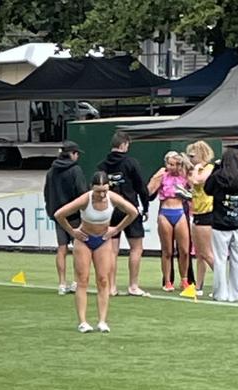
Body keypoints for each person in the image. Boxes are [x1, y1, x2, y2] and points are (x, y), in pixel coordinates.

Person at [53, 171, 140, 332]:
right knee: (82, 280)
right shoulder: (86, 199)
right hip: (84, 240)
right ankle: (83, 321)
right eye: (98, 190)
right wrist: (73, 232)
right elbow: (59, 214)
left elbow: (133, 212)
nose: (101, 194)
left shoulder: (112, 197)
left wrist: (116, 229)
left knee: (103, 279)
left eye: (104, 190)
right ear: (92, 188)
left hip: (103, 240)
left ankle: (102, 321)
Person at [97, 131, 152, 296]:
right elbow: (141, 187)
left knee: (112, 250)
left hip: (110, 210)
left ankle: (111, 287)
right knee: (136, 247)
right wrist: (146, 206)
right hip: (129, 208)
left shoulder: (102, 165)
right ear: (123, 145)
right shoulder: (131, 163)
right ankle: (133, 285)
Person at [204, 149, 238, 303]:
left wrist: (216, 168)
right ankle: (236, 294)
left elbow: (207, 190)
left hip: (220, 222)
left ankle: (220, 293)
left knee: (220, 259)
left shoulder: (217, 177)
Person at [43, 141, 86, 295]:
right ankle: (76, 281)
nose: (78, 156)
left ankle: (62, 283)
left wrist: (52, 212)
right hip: (74, 215)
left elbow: (47, 192)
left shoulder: (51, 171)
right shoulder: (75, 170)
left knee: (61, 248)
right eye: (76, 153)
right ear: (72, 154)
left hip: (58, 214)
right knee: (77, 249)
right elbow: (82, 192)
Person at [147, 151, 191, 292]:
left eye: (173, 164)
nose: (170, 167)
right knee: (167, 250)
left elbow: (194, 186)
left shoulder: (184, 176)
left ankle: (184, 279)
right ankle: (167, 281)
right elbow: (149, 191)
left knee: (184, 250)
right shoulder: (162, 176)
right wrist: (156, 177)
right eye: (168, 164)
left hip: (180, 211)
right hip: (165, 212)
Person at [187, 141, 216, 294]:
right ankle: (198, 286)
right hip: (197, 212)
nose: (191, 159)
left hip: (207, 212)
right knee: (199, 254)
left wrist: (196, 169)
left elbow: (197, 181)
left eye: (193, 156)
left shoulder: (209, 168)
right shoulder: (195, 169)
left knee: (207, 252)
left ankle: (221, 282)